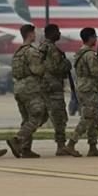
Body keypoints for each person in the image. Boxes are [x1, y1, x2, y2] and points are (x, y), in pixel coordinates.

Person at [7, 24, 47, 158]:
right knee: (37, 115)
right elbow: (38, 70)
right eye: (34, 33)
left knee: (26, 119)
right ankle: (17, 139)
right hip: (31, 87)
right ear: (30, 34)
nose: (35, 36)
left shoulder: (18, 52)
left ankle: (26, 148)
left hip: (19, 87)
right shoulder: (31, 52)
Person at [66, 27, 98, 157]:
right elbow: (95, 72)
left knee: (94, 118)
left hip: (83, 87)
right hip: (88, 88)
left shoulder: (80, 52)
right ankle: (71, 143)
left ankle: (93, 147)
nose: (96, 39)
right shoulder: (89, 54)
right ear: (90, 38)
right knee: (88, 117)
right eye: (94, 37)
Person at [39, 23, 74, 156]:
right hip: (53, 87)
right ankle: (61, 146)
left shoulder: (42, 47)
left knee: (39, 117)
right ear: (52, 33)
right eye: (57, 32)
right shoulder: (51, 48)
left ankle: (22, 142)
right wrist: (66, 65)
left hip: (44, 86)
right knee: (60, 117)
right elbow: (55, 68)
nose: (59, 34)